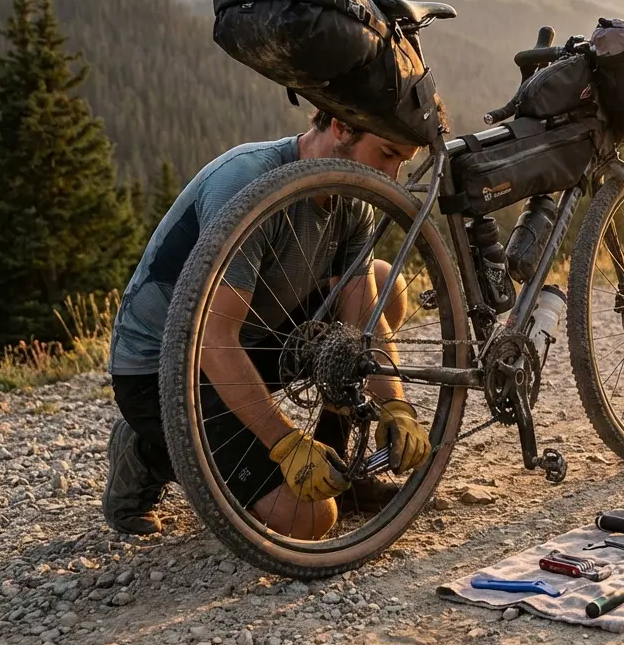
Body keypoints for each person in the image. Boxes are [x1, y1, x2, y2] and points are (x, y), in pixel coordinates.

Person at [103, 109, 433, 539]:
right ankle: (149, 450)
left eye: (403, 163)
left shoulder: (352, 197)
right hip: (165, 369)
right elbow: (213, 338)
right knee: (309, 519)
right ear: (341, 127)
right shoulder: (247, 182)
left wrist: (394, 404)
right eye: (387, 154)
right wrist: (286, 444)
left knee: (383, 284)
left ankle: (341, 468)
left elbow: (361, 316)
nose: (392, 176)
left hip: (249, 341)